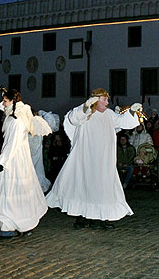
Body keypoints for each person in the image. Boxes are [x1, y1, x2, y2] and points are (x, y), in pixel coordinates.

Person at [46, 88, 142, 230]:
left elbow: (123, 122)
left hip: (104, 160)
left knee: (101, 189)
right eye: (104, 99)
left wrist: (132, 112)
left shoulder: (109, 114)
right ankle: (82, 218)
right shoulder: (86, 113)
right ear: (95, 100)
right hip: (87, 159)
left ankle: (98, 218)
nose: (107, 102)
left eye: (107, 99)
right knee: (84, 186)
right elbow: (73, 118)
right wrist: (85, 107)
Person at [0, 89, 49, 240]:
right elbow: (3, 108)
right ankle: (8, 227)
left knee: (12, 194)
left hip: (13, 162)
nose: (3, 104)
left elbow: (13, 143)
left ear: (13, 102)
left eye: (5, 101)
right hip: (13, 161)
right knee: (9, 195)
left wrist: (2, 161)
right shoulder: (13, 117)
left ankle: (21, 225)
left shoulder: (17, 120)